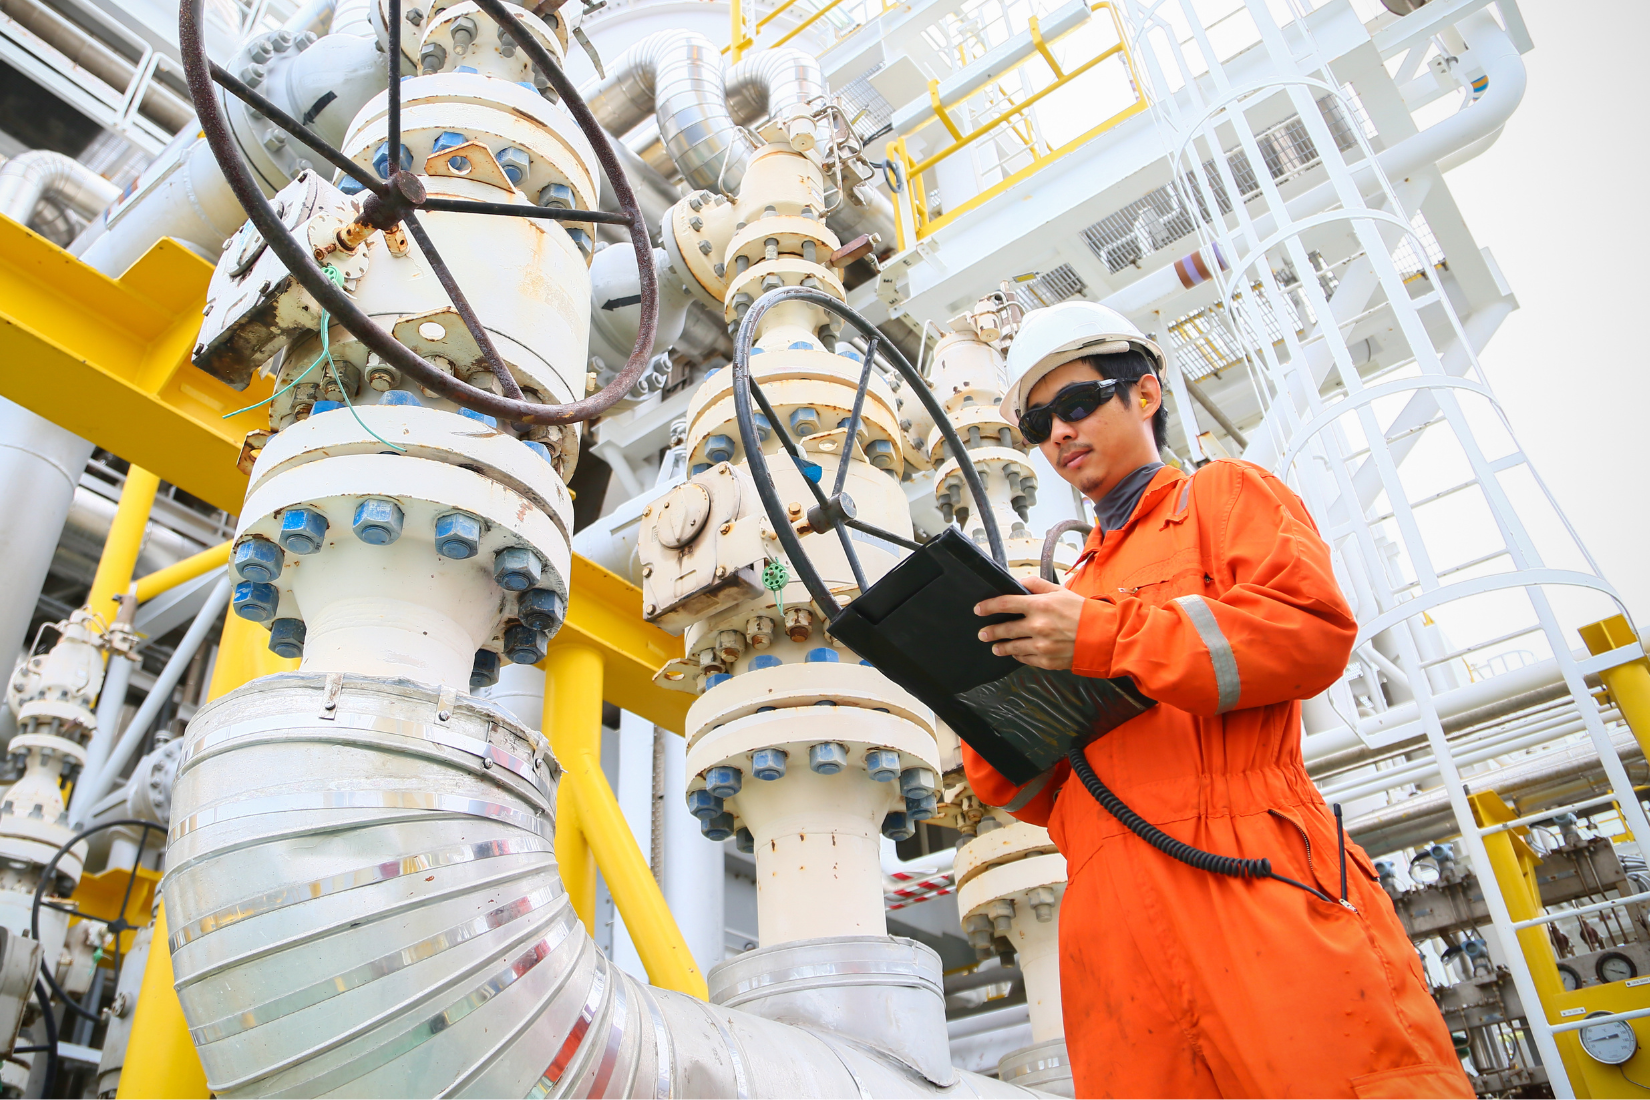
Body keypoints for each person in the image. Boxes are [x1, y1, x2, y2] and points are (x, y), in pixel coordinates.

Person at [965, 301, 1472, 1099]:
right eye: (1038, 422)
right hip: (1111, 935)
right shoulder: (1069, 595)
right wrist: (976, 696)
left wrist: (1102, 638)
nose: (1059, 432)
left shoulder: (1222, 499)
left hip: (1248, 881)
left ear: (1146, 394)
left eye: (1077, 403)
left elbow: (1309, 631)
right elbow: (1030, 791)